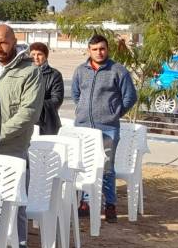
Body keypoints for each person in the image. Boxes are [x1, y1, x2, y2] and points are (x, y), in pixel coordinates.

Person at [0, 24, 42, 248]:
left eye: (3, 43)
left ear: (15, 41)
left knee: (14, 207)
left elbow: (27, 115)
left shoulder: (30, 72)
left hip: (12, 150)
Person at [72, 34, 137, 223]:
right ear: (89, 50)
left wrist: (114, 113)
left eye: (102, 48)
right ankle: (85, 202)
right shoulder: (80, 71)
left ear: (107, 49)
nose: (99, 52)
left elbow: (130, 97)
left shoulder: (118, 71)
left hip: (108, 128)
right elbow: (76, 94)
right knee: (84, 164)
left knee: (106, 167)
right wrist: (83, 111)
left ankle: (110, 204)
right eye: (95, 49)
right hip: (83, 127)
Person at [29, 42, 65, 135]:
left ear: (46, 56)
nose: (36, 57)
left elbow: (57, 100)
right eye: (33, 54)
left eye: (39, 54)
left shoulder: (55, 75)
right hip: (26, 121)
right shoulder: (23, 73)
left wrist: (34, 104)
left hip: (47, 121)